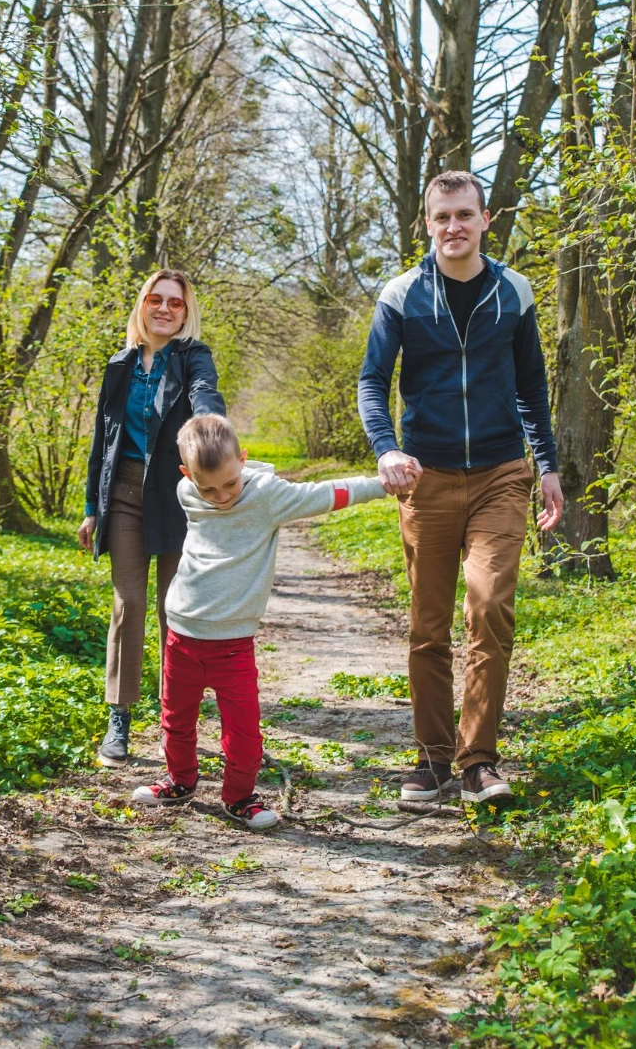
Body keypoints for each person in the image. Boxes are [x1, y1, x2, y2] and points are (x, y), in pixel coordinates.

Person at [357, 170, 564, 807]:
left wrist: (547, 464)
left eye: (465, 215)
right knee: (428, 624)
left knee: (489, 605)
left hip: (503, 474)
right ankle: (431, 758)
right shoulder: (401, 295)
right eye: (442, 216)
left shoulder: (514, 292)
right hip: (429, 477)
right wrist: (388, 448)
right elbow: (371, 382)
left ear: (484, 221)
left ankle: (479, 761)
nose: (454, 227)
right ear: (427, 222)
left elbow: (531, 385)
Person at [132, 414, 385, 830]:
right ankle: (180, 781)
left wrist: (384, 483)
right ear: (186, 475)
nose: (220, 496)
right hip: (181, 633)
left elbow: (328, 493)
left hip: (232, 643)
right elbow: (204, 489)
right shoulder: (185, 490)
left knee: (244, 734)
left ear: (244, 461)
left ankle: (239, 797)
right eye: (207, 487)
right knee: (175, 719)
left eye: (230, 483)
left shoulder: (268, 495)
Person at [78, 269, 225, 768]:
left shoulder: (191, 357)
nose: (164, 309)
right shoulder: (119, 364)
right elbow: (104, 439)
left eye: (175, 303)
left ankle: (174, 722)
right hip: (122, 494)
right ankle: (118, 718)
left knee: (174, 610)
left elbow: (205, 394)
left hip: (178, 493)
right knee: (129, 602)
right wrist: (90, 509)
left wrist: (212, 432)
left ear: (186, 311)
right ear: (142, 305)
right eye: (155, 299)